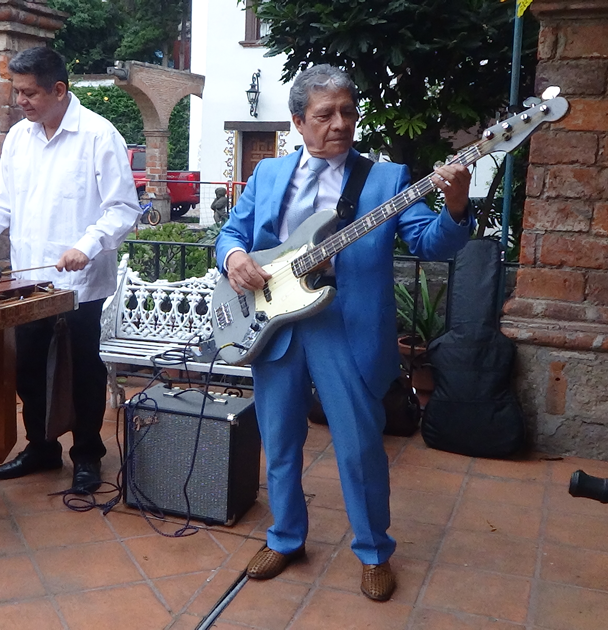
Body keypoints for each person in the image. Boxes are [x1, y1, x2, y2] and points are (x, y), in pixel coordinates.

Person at [214, 64, 472, 602]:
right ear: (297, 122)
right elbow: (233, 232)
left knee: (358, 448)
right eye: (324, 114)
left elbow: (431, 243)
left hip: (343, 328)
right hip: (274, 324)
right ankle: (285, 537)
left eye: (348, 113)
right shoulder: (267, 174)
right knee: (280, 440)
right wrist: (235, 256)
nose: (339, 124)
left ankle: (374, 549)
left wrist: (455, 204)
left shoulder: (386, 179)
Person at [0, 47, 141, 495]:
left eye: (29, 92)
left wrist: (86, 246)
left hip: (80, 285)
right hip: (28, 282)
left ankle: (88, 453)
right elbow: (1, 201)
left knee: (82, 372)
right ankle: (42, 447)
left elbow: (123, 208)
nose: (21, 101)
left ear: (58, 90)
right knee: (28, 368)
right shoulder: (18, 138)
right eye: (17, 92)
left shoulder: (97, 135)